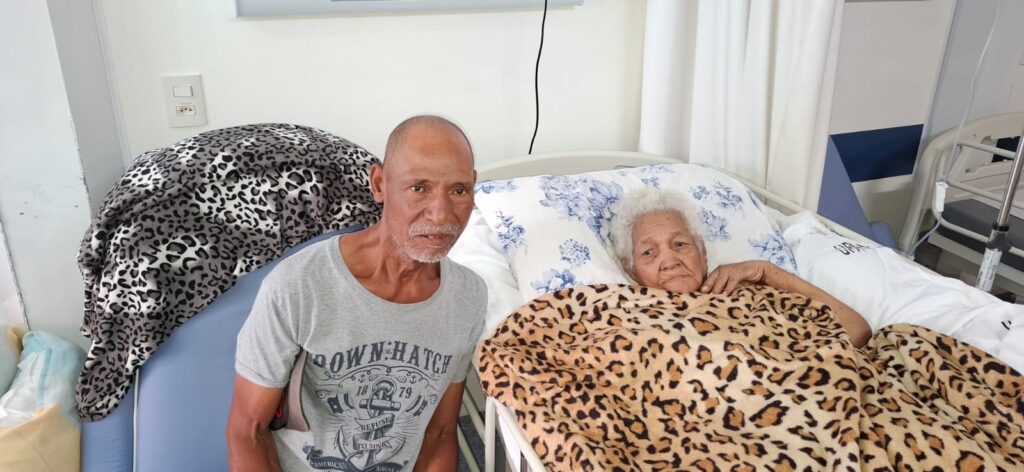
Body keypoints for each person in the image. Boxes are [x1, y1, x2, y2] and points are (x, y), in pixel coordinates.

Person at [227, 115, 487, 472]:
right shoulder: (300, 285)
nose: (441, 214)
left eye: (458, 190)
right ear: (379, 183)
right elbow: (247, 430)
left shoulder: (469, 297)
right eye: (419, 188)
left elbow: (440, 432)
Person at [609, 187, 871, 348]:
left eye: (680, 244)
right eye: (648, 252)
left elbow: (856, 331)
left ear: (703, 254)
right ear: (633, 271)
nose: (669, 260)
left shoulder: (752, 294)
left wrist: (766, 271)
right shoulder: (626, 317)